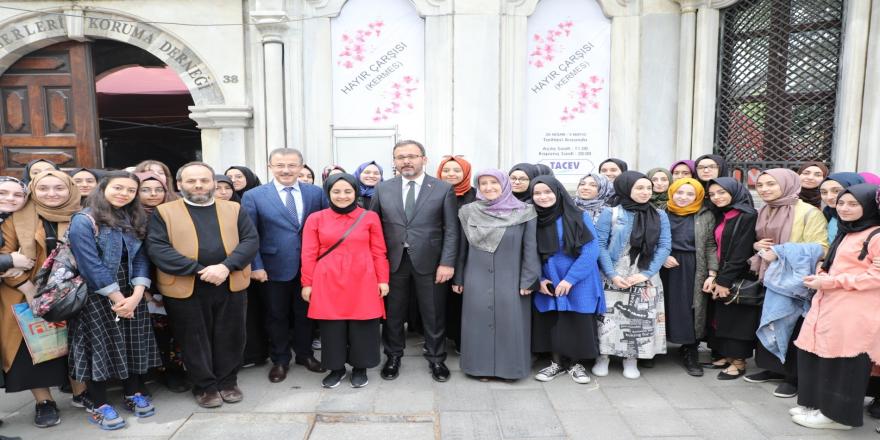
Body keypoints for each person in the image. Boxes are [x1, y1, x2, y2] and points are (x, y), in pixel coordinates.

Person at [146, 162, 259, 408]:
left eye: (204, 180)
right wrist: (199, 270)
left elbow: (250, 240)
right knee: (193, 339)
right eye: (191, 181)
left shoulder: (234, 209)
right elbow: (158, 248)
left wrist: (226, 267)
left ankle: (227, 382)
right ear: (179, 184)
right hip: (186, 286)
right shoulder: (164, 212)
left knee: (231, 336)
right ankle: (205, 386)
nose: (198, 185)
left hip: (230, 282)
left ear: (213, 183)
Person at [68, 171, 159, 430]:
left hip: (131, 289)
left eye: (130, 190)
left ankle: (132, 392)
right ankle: (100, 405)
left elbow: (141, 258)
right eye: (118, 188)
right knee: (99, 345)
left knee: (132, 342)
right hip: (97, 292)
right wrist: (119, 299)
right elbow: (90, 264)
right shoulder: (84, 220)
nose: (124, 194)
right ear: (103, 188)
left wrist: (136, 296)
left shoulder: (135, 218)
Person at [792, 183, 880, 430]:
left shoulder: (875, 235)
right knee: (820, 353)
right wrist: (822, 275)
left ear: (869, 206)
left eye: (853, 204)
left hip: (856, 309)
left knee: (845, 360)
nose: (844, 208)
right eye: (841, 203)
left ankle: (839, 416)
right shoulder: (849, 230)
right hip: (831, 302)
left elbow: (876, 277)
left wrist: (831, 282)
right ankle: (819, 405)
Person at [371, 140, 459, 382]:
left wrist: (447, 262)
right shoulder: (383, 189)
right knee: (393, 313)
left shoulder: (442, 188)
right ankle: (393, 357)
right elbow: (373, 227)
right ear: (394, 162)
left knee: (433, 313)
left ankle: (436, 358)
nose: (406, 161)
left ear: (424, 159)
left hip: (431, 262)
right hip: (393, 261)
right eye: (400, 157)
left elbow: (452, 230)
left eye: (412, 156)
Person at [0, 171, 80, 427]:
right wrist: (27, 287)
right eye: (43, 188)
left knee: (76, 343)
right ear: (33, 191)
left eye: (59, 188)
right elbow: (6, 257)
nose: (51, 193)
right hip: (24, 292)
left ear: (70, 189)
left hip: (73, 292)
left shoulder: (82, 215)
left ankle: (82, 392)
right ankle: (44, 402)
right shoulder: (16, 218)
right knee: (32, 349)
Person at [241, 148, 327, 383]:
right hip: (271, 268)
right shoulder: (254, 196)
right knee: (276, 315)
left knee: (305, 314)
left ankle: (305, 355)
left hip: (309, 267)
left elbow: (325, 228)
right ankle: (280, 359)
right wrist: (256, 265)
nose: (286, 170)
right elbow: (250, 235)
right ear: (270, 167)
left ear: (301, 167)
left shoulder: (315, 193)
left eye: (292, 165)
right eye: (280, 165)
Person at [300, 174, 389, 388]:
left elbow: (378, 251)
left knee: (363, 323)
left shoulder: (369, 217)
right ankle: (336, 368)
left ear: (355, 192)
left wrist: (383, 279)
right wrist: (307, 283)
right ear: (328, 193)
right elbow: (308, 253)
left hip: (363, 278)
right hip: (327, 278)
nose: (342, 196)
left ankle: (360, 367)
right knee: (332, 325)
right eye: (336, 191)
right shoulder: (316, 218)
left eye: (348, 191)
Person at [746, 169, 828, 398]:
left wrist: (781, 251)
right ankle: (773, 368)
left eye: (771, 184)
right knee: (771, 320)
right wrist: (757, 246)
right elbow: (761, 242)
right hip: (770, 275)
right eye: (760, 185)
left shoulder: (808, 212)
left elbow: (822, 248)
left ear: (787, 184)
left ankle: (793, 378)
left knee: (792, 325)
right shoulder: (765, 210)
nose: (764, 189)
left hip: (793, 281)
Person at [453, 169, 538, 380]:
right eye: (483, 183)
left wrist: (528, 280)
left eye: (494, 182)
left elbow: (530, 248)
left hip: (512, 278)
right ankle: (478, 368)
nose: (488, 187)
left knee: (511, 323)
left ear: (504, 185)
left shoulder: (524, 212)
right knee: (478, 324)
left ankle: (511, 370)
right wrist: (459, 277)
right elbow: (461, 248)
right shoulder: (468, 212)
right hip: (476, 277)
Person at [593, 171, 671, 380]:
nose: (645, 192)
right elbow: (600, 244)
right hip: (613, 272)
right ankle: (603, 357)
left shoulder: (659, 215)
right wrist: (611, 274)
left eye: (648, 188)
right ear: (626, 189)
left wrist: (646, 274)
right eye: (639, 188)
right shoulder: (610, 213)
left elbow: (664, 246)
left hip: (644, 273)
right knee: (607, 318)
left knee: (639, 319)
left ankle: (631, 358)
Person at [531, 175, 603, 385]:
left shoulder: (578, 216)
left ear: (558, 192)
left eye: (547, 192)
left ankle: (575, 364)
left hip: (579, 279)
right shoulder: (532, 218)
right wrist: (539, 279)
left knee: (577, 320)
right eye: (537, 193)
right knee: (553, 320)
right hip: (549, 277)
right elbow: (528, 252)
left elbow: (591, 250)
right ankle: (556, 363)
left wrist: (570, 279)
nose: (543, 197)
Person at [135, 172, 188, 393]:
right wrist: (145, 291)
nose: (153, 194)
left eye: (158, 189)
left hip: (174, 277)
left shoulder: (176, 212)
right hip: (141, 282)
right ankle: (155, 373)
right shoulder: (128, 217)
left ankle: (176, 371)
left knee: (175, 329)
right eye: (146, 190)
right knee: (153, 332)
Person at [660, 177, 717, 377]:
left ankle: (690, 349)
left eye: (690, 194)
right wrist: (662, 256)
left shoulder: (705, 215)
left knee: (688, 307)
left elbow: (710, 244)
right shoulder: (660, 211)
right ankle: (654, 347)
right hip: (663, 264)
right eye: (679, 192)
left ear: (698, 196)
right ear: (672, 192)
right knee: (661, 305)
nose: (683, 197)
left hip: (692, 265)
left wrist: (712, 272)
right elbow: (650, 238)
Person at [704, 177, 760, 380]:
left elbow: (741, 251)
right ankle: (728, 356)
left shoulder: (747, 215)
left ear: (734, 192)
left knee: (737, 319)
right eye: (712, 194)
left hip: (738, 274)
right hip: (723, 272)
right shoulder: (723, 213)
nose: (716, 197)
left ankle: (739, 362)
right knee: (723, 317)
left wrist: (724, 280)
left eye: (721, 192)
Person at [223, 165, 266, 366]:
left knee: (254, 313)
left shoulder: (251, 201)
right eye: (229, 177)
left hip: (250, 267)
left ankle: (255, 353)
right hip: (224, 270)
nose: (233, 181)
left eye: (238, 176)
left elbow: (253, 237)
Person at [436, 155, 476, 352]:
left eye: (456, 170)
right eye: (446, 170)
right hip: (437, 255)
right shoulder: (432, 193)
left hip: (467, 255)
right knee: (438, 301)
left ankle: (462, 340)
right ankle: (439, 340)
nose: (451, 174)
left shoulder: (476, 196)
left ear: (466, 172)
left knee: (461, 299)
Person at [820, 172, 864, 243]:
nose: (829, 197)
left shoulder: (869, 220)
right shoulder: (828, 213)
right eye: (824, 192)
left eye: (836, 191)